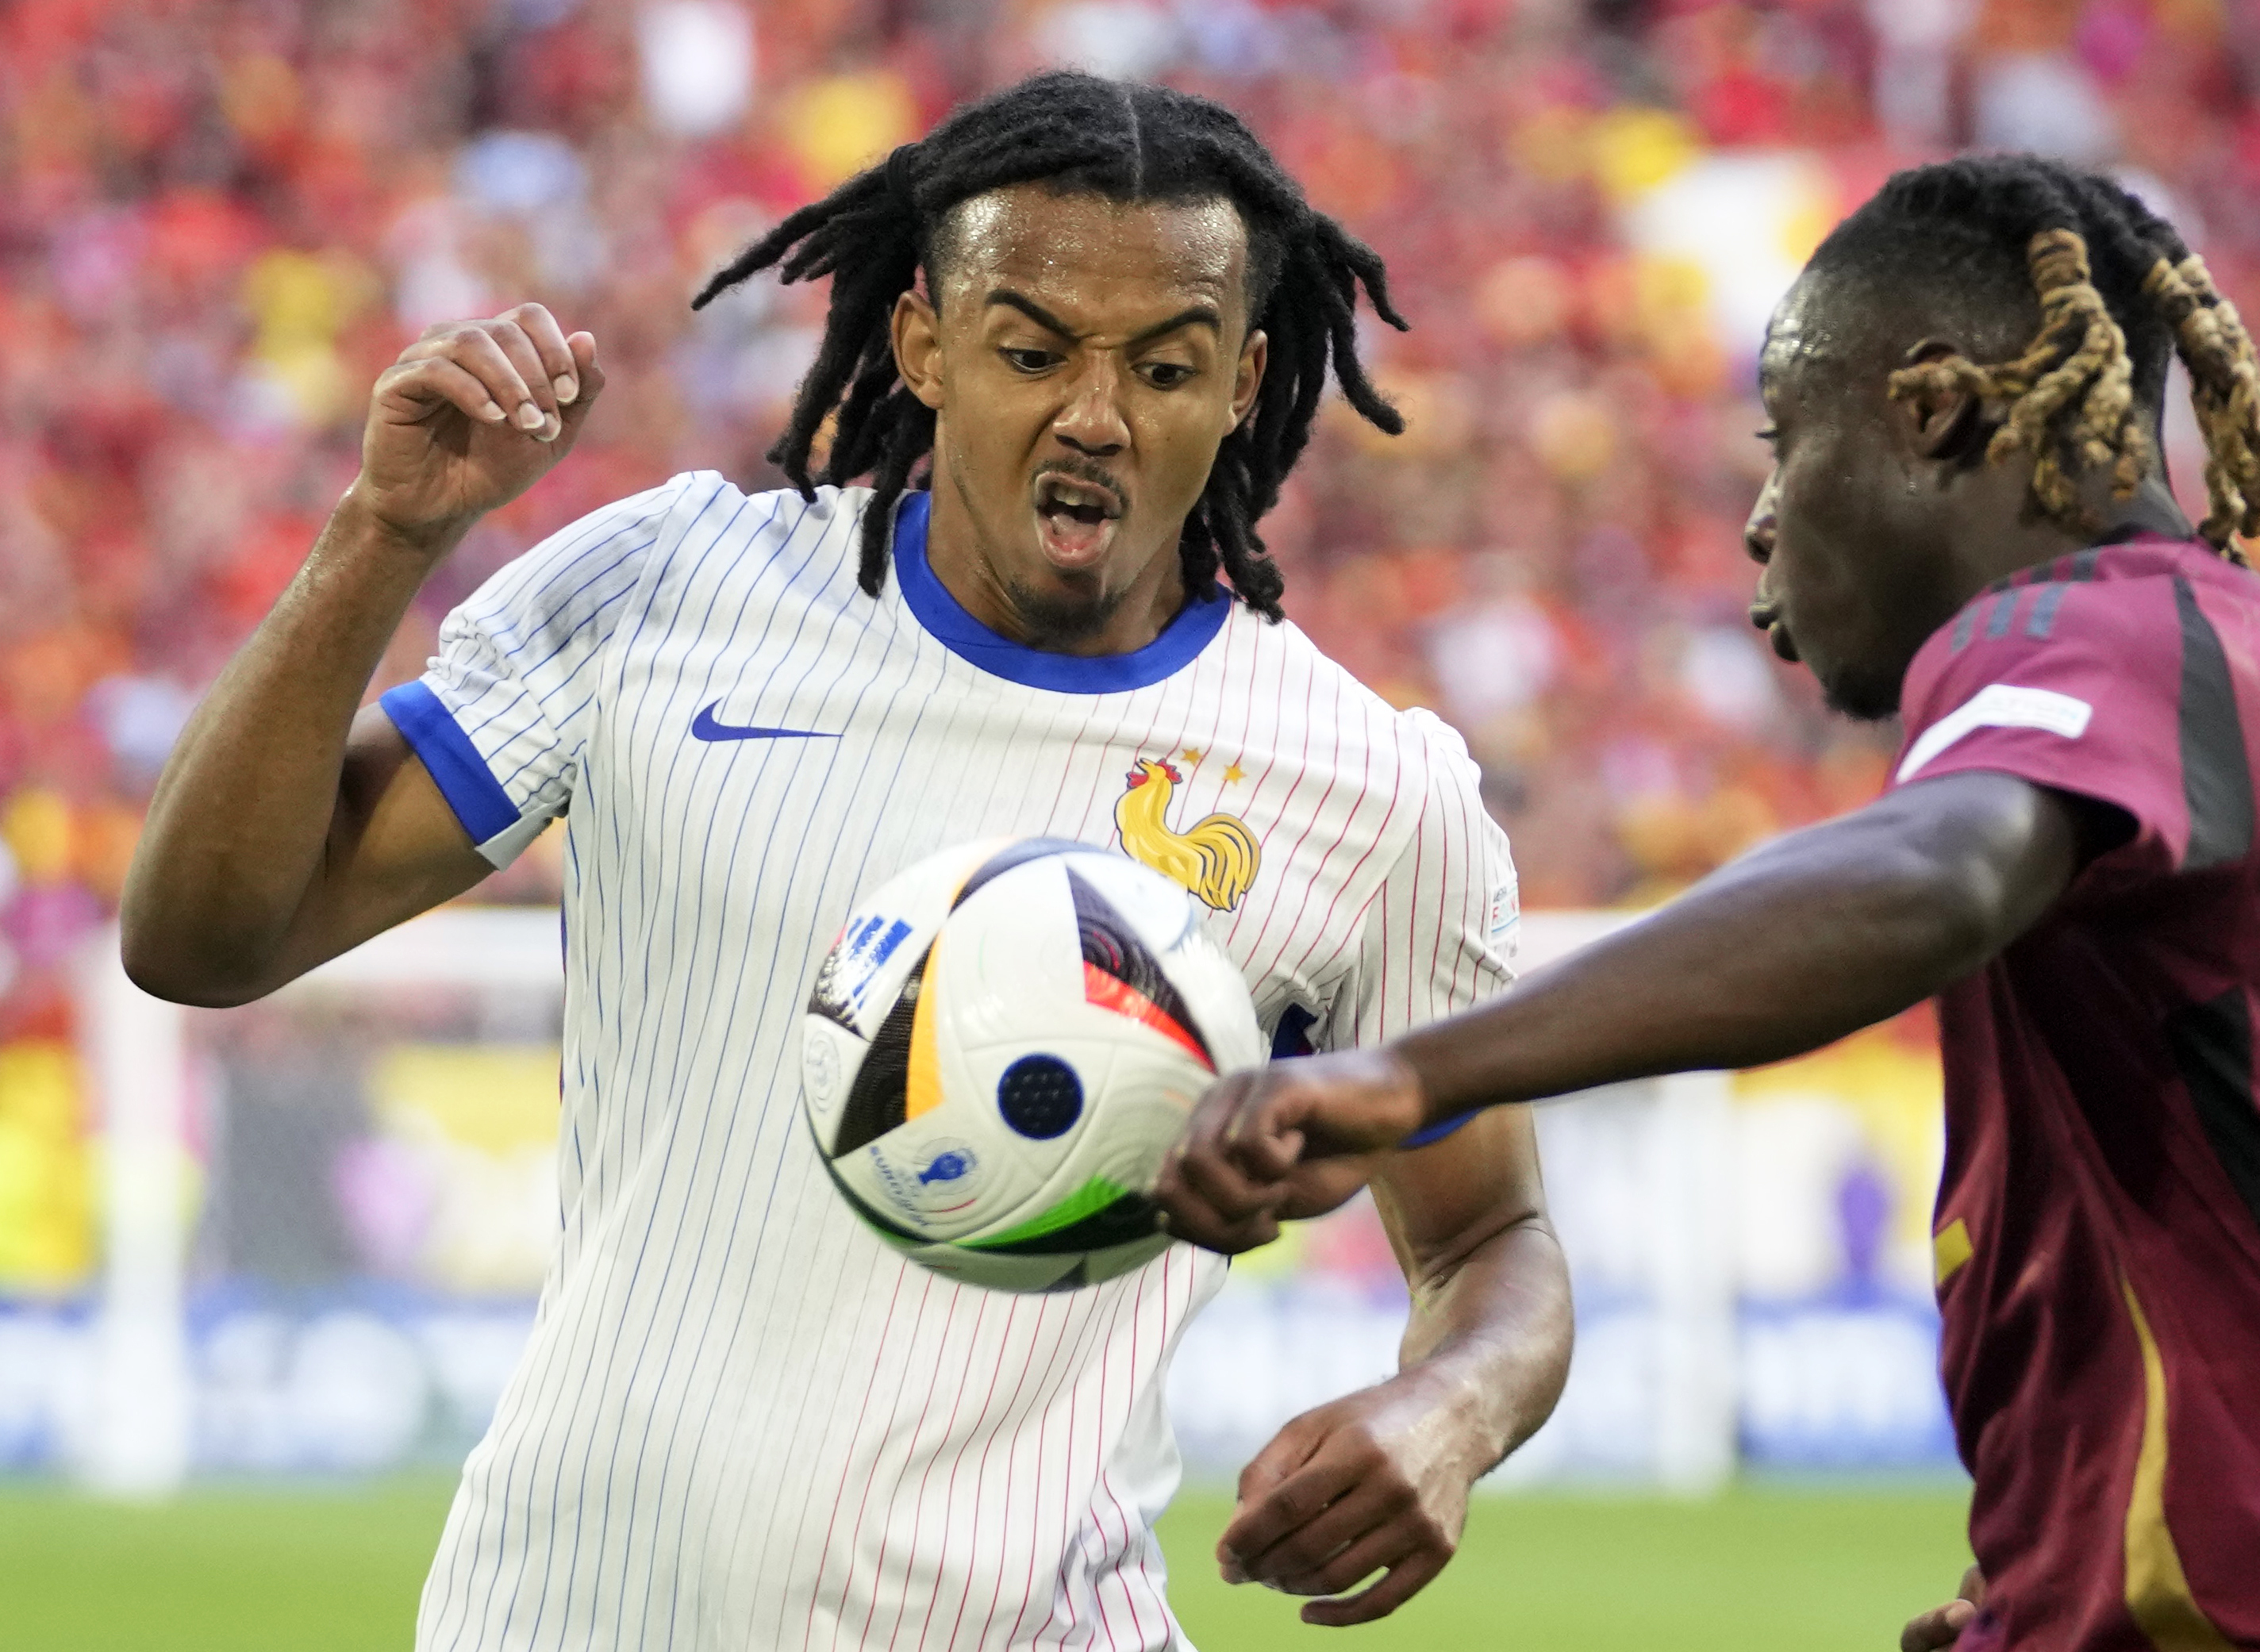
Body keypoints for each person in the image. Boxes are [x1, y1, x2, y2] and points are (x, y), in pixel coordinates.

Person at [122, 71, 1572, 1651]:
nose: (1096, 413)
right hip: (560, 1617)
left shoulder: (1370, 789)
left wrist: (1450, 1407)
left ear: (1245, 383)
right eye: (1032, 351)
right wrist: (379, 539)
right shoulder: (668, 590)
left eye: (1167, 365)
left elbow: (1491, 1239)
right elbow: (200, 940)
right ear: (922, 344)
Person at [1157, 153, 2260, 1651]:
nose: (1761, 518)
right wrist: (2069, 1552)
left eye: (1787, 441)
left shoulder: (2087, 628)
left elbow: (1931, 872)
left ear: (1932, 413)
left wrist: (1411, 1070)